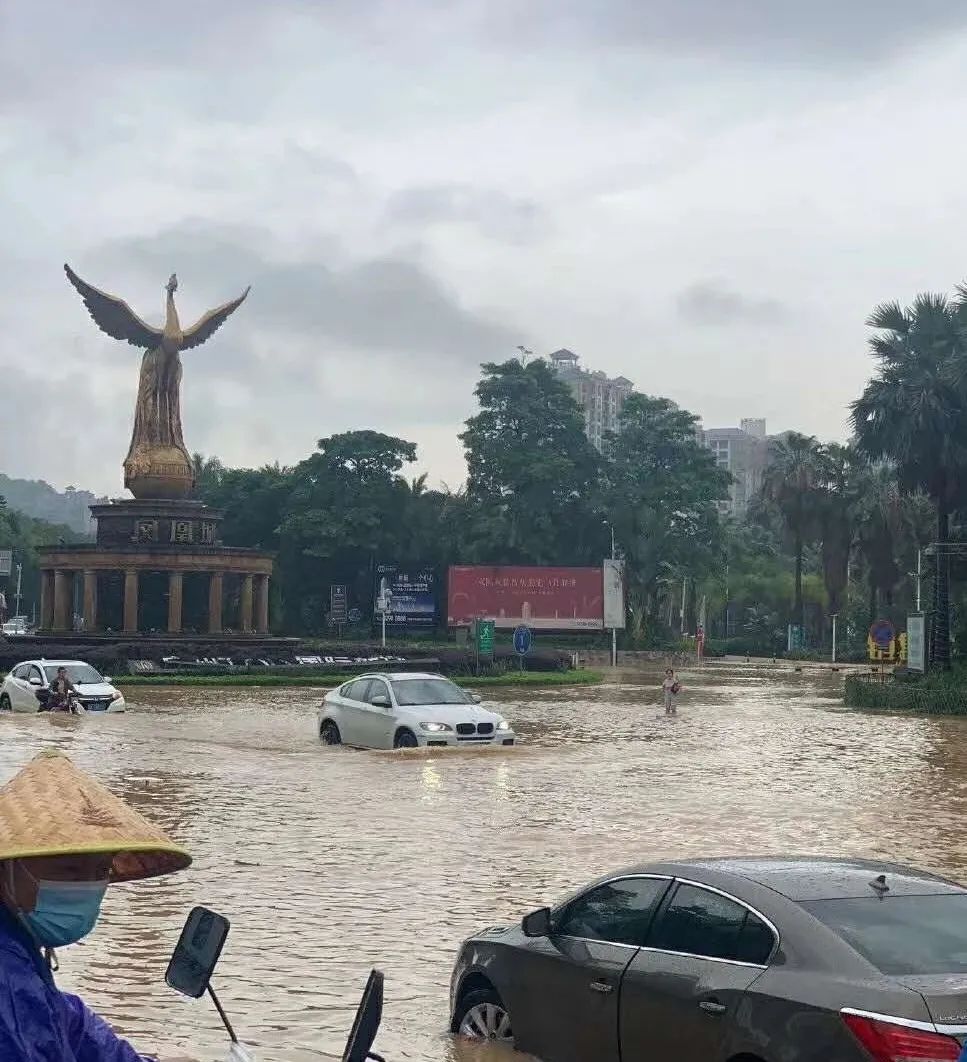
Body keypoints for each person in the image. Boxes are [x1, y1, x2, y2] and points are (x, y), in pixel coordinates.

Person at [0, 748, 194, 1061]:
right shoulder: (6, 974)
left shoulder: (20, 949)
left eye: (101, 871)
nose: (87, 886)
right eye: (70, 870)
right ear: (7, 869)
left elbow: (69, 1024)